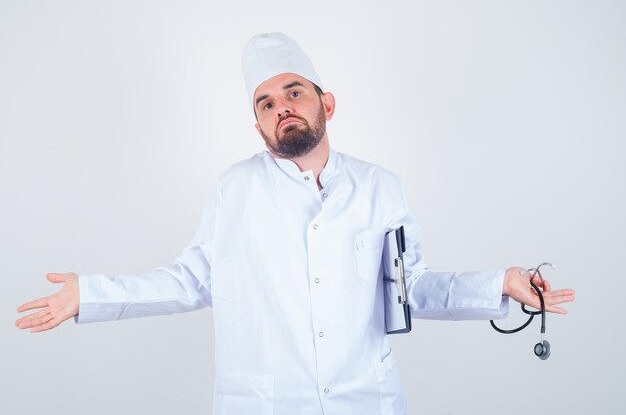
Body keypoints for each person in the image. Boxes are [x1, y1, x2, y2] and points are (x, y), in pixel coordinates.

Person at [15, 32, 575, 415]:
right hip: (268, 402)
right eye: (264, 103)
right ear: (256, 124)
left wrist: (498, 282)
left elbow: (413, 288)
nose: (281, 106)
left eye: (293, 92)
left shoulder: (380, 187)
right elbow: (190, 280)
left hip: (365, 401)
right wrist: (89, 296)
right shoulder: (236, 189)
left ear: (326, 103)